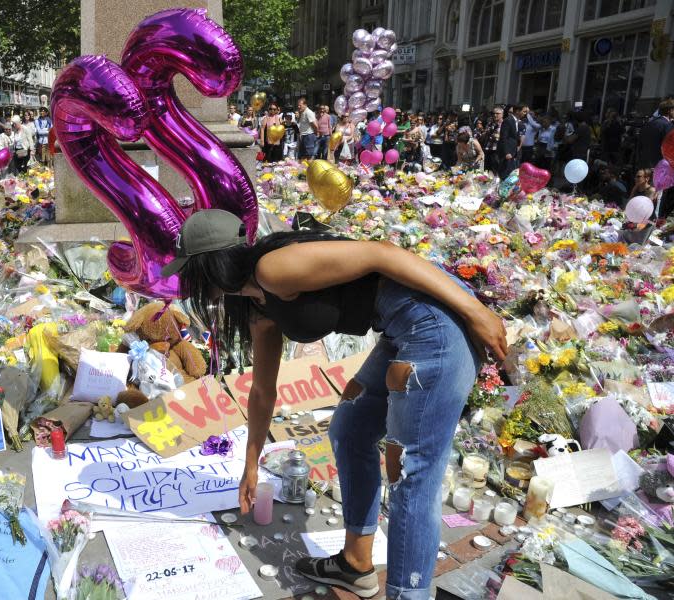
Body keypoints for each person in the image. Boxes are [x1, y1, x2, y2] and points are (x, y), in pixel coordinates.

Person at [162, 210, 506, 600]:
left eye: (190, 271)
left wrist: (477, 312)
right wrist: (250, 463)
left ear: (210, 265)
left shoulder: (273, 269)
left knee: (412, 473)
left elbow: (383, 254)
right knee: (351, 429)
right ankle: (356, 564)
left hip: (438, 326)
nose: (187, 284)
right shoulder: (255, 303)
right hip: (403, 325)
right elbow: (262, 390)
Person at [638, 99, 674, 169]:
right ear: (669, 111)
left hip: (645, 163)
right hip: (661, 166)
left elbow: (640, 145)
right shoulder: (668, 125)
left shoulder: (648, 124)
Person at [497, 105, 520, 179]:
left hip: (513, 151)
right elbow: (504, 137)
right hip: (506, 152)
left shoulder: (517, 121)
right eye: (524, 111)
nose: (525, 114)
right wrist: (506, 152)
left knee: (511, 172)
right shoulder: (508, 120)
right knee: (504, 172)